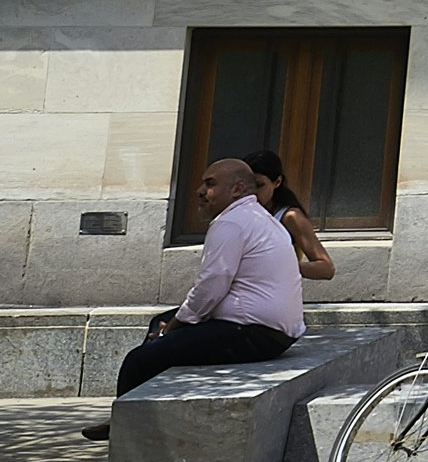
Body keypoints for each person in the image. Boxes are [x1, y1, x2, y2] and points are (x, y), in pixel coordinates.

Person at [97, 156, 307, 420]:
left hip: (252, 333)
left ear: (237, 189)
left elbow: (211, 287)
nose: (200, 191)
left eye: (210, 184)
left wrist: (174, 327)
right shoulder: (257, 218)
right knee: (158, 323)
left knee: (139, 360)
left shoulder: (231, 222)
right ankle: (139, 408)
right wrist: (173, 324)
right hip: (271, 332)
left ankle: (124, 429)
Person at [246, 147, 337, 285]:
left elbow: (326, 268)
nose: (252, 192)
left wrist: (282, 267)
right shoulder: (242, 212)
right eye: (246, 186)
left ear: (277, 182)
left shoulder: (290, 217)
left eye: (259, 185)